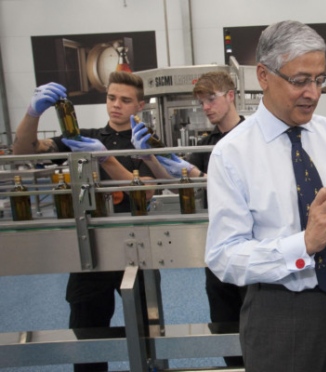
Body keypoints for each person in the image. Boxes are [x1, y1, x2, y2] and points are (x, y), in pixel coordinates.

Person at [205, 20, 326, 371]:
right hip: (283, 309)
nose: (313, 93)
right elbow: (223, 256)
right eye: (300, 80)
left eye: (319, 80)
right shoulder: (232, 154)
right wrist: (303, 244)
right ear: (263, 76)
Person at [13, 71, 155, 372]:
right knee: (86, 339)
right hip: (91, 249)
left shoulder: (145, 143)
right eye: (111, 97)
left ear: (139, 106)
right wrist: (32, 114)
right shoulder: (82, 138)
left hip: (136, 247)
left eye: (125, 100)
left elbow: (145, 188)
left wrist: (105, 159)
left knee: (147, 333)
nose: (116, 105)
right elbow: (23, 152)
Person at [131, 70, 246, 367]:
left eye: (211, 99)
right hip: (219, 253)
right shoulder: (207, 143)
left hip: (252, 249)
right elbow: (176, 183)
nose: (206, 107)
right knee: (224, 326)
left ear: (230, 96)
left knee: (258, 327)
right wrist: (152, 160)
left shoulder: (253, 137)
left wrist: (198, 175)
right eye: (201, 102)